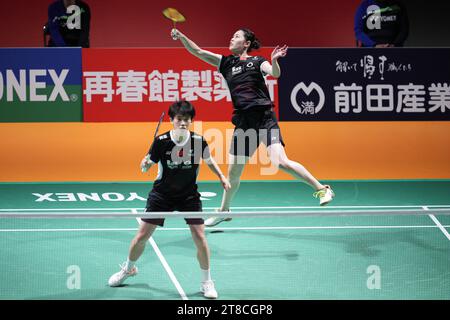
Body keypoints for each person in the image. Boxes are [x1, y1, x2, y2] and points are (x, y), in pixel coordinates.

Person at [170, 28, 335, 227]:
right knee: (233, 173)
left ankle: (322, 189)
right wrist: (182, 37)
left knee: (280, 162)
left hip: (264, 119)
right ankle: (224, 211)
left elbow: (275, 73)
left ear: (246, 43)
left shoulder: (258, 62)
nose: (232, 38)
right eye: (232, 35)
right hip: (243, 122)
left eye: (237, 36)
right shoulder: (226, 63)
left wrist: (274, 61)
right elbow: (198, 52)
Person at [108, 101, 231, 299]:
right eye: (179, 119)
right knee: (142, 236)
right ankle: (128, 269)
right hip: (162, 195)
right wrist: (145, 164)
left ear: (191, 121)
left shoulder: (199, 141)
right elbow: (148, 165)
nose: (183, 123)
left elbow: (209, 161)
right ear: (172, 120)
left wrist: (222, 177)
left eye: (187, 120)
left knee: (200, 237)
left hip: (188, 195)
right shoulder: (161, 141)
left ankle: (206, 282)